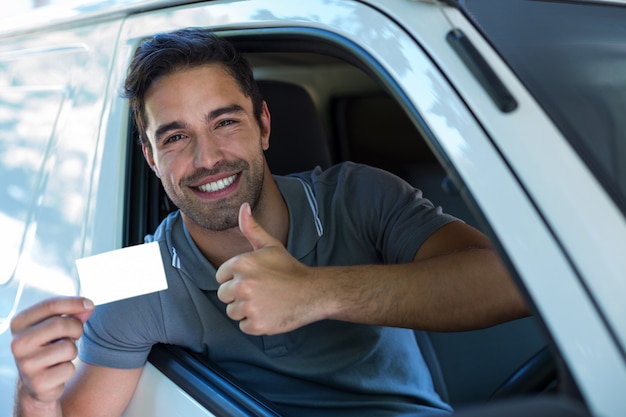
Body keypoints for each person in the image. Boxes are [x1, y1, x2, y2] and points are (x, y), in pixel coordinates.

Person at [10, 28, 528, 417]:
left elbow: (512, 284)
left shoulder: (359, 195)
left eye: (226, 122)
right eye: (175, 137)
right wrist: (33, 396)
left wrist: (316, 293)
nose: (208, 158)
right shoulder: (129, 275)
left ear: (263, 124)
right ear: (150, 157)